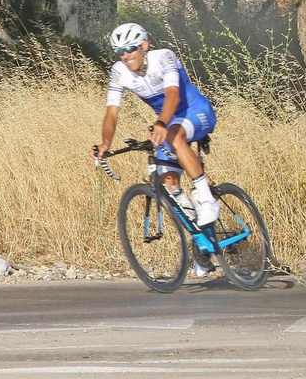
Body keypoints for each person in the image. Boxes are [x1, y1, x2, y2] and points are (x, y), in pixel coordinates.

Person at [93, 23, 220, 276]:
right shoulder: (119, 71)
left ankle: (207, 198)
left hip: (195, 112)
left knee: (172, 136)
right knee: (169, 182)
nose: (125, 55)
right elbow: (112, 113)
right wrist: (105, 143)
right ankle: (202, 245)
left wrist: (161, 123)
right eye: (120, 51)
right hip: (169, 121)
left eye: (130, 48)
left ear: (144, 45)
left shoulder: (163, 57)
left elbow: (172, 95)